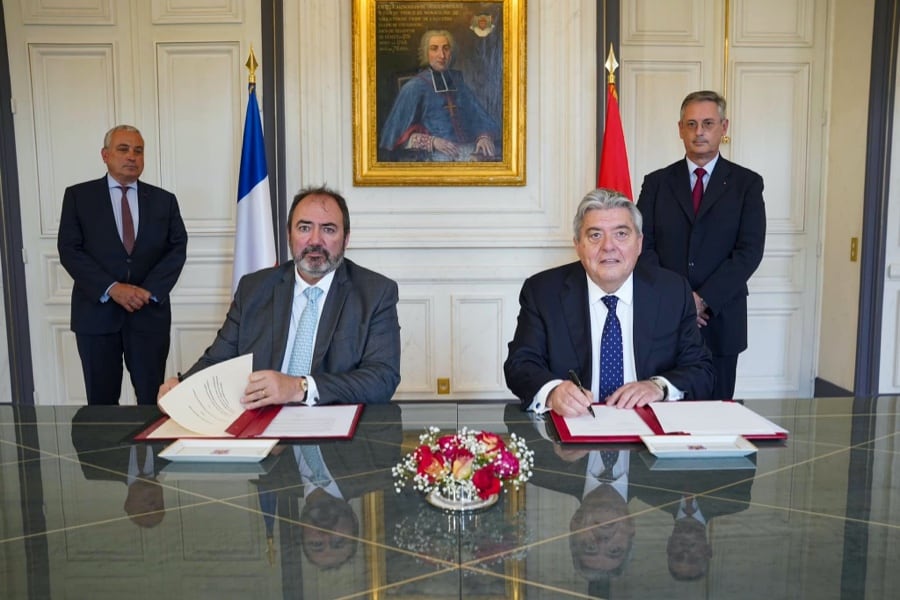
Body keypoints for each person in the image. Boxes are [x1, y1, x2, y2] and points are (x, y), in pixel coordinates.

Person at [158, 185, 400, 406]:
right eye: (304, 228)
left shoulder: (375, 293)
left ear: (346, 239)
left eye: (328, 229)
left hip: (336, 433)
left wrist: (299, 387)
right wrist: (181, 386)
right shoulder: (254, 289)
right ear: (289, 235)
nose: (315, 241)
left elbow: (382, 379)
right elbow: (218, 360)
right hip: (262, 420)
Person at [504, 188, 714, 417]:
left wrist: (659, 386)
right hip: (576, 427)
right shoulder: (544, 292)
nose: (608, 246)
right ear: (578, 245)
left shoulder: (672, 291)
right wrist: (553, 391)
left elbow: (701, 369)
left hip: (651, 424)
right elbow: (520, 365)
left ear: (639, 243)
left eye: (621, 234)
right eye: (595, 235)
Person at [636, 90, 766, 400]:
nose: (699, 132)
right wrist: (679, 300)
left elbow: (748, 252)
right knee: (662, 404)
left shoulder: (746, 184)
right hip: (664, 318)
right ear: (679, 129)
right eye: (691, 124)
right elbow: (642, 244)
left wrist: (703, 299)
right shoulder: (656, 183)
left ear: (724, 126)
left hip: (721, 318)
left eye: (708, 123)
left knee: (717, 411)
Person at [58, 125, 188, 405]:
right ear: (105, 155)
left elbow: (177, 249)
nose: (132, 156)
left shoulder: (164, 201)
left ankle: (153, 451)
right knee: (101, 404)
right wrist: (112, 288)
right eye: (123, 149)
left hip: (148, 316)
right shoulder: (79, 197)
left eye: (138, 151)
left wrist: (149, 291)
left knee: (153, 401)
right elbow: (69, 250)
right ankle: (106, 452)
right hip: (96, 315)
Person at [379, 29, 500, 162]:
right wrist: (432, 142)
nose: (441, 55)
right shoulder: (413, 87)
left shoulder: (458, 84)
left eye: (446, 48)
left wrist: (484, 137)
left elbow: (479, 117)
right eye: (434, 49)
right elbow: (396, 137)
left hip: (471, 151)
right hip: (434, 156)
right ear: (426, 53)